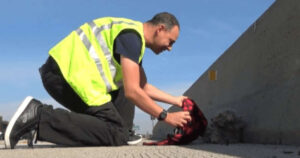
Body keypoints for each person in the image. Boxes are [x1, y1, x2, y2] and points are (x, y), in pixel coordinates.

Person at [5, 12, 192, 149]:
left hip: (67, 74)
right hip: (65, 77)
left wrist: (175, 100)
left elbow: (142, 86)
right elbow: (133, 91)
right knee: (115, 132)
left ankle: (123, 132)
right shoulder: (131, 38)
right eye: (171, 41)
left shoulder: (133, 38)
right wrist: (166, 116)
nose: (169, 48)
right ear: (160, 29)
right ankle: (38, 117)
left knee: (121, 129)